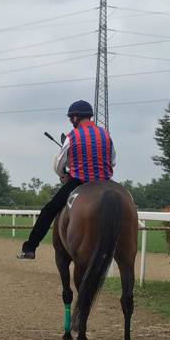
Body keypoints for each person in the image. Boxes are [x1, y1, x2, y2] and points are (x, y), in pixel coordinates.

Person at [17, 100, 115, 259]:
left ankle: (30, 248)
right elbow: (113, 160)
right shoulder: (106, 134)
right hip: (105, 183)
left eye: (71, 118)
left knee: (48, 211)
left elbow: (59, 164)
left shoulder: (72, 136)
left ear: (76, 117)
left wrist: (64, 175)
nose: (71, 121)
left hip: (80, 181)